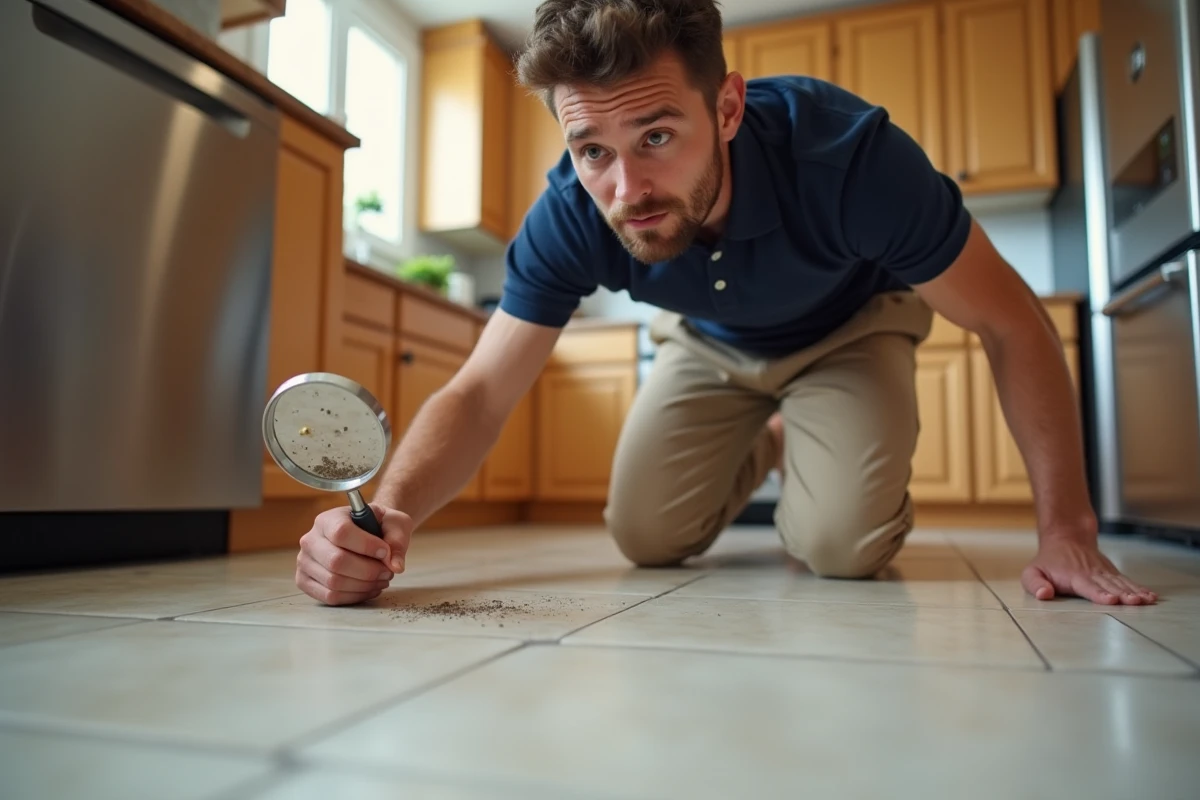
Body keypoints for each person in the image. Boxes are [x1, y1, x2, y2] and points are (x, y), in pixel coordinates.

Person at [294, 0, 1158, 608]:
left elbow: (1012, 322)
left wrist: (1068, 529)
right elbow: (481, 391)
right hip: (707, 343)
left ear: (729, 107)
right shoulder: (573, 209)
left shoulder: (854, 162)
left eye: (657, 136)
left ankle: (814, 438)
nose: (625, 188)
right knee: (643, 536)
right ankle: (778, 434)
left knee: (839, 548)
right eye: (591, 148)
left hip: (848, 330)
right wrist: (393, 514)